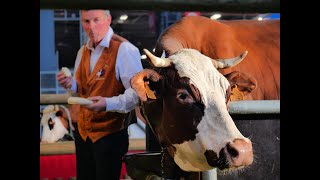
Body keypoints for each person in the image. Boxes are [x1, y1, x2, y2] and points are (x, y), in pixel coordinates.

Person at [57, 9, 143, 180]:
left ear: (108, 19)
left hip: (110, 135)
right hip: (83, 134)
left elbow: (137, 94)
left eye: (96, 20)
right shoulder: (83, 51)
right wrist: (71, 84)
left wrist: (107, 104)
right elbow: (83, 87)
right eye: (86, 21)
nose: (91, 27)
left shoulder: (124, 49)